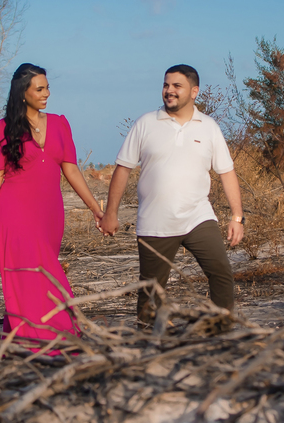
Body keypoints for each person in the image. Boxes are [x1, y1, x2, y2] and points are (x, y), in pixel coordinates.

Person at [98, 64, 245, 324]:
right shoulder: (145, 124)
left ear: (194, 91)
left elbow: (227, 172)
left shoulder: (209, 127)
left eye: (177, 86)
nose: (169, 91)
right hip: (155, 222)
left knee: (221, 273)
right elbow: (122, 170)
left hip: (198, 217)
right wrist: (111, 214)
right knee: (151, 291)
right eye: (166, 85)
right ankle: (147, 343)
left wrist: (237, 218)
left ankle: (220, 335)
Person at [0, 63, 105, 344]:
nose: (47, 93)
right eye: (40, 88)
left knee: (29, 286)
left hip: (50, 218)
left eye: (47, 87)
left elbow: (71, 170)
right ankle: (60, 343)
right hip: (14, 217)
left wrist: (96, 209)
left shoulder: (60, 124)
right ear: (23, 93)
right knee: (44, 282)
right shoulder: (0, 131)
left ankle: (17, 347)